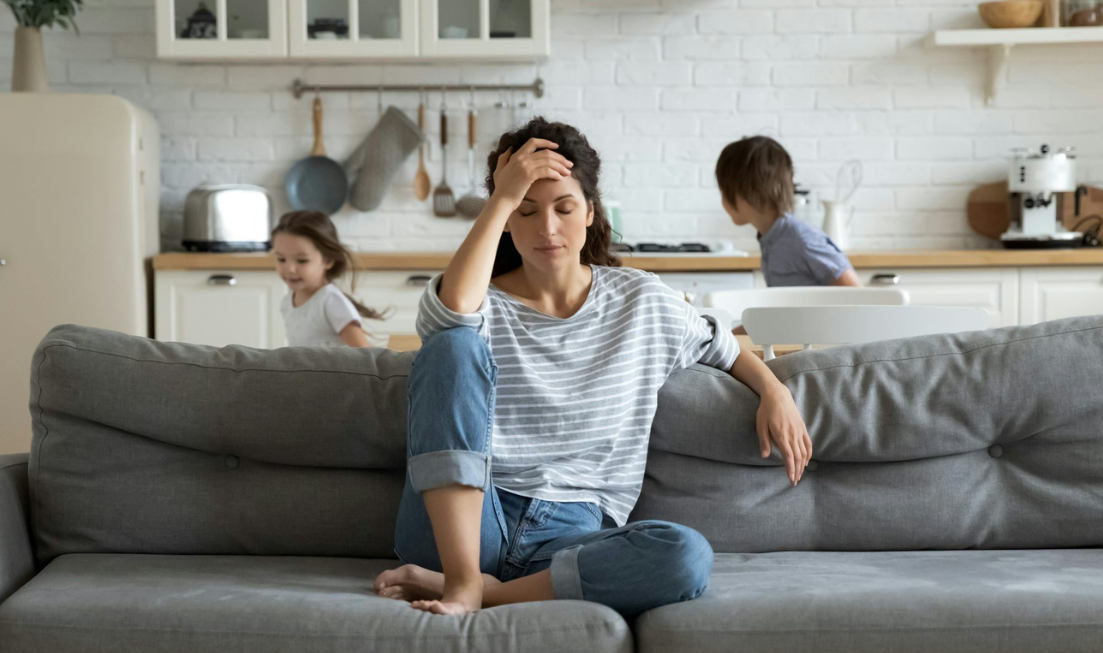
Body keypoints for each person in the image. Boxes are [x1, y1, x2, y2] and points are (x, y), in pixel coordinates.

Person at [372, 118, 812, 618]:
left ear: (589, 213)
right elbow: (449, 316)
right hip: (464, 519)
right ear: (507, 219)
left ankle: (477, 590)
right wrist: (500, 196)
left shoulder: (641, 301)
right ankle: (463, 574)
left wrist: (775, 390)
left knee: (685, 555)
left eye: (564, 208)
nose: (547, 229)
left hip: (571, 535)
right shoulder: (478, 302)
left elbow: (726, 349)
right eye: (526, 210)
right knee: (452, 345)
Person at [717, 136, 860, 287]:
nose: (723, 200)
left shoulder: (802, 239)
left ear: (750, 193)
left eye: (725, 192)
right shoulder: (771, 239)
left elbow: (857, 295)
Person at [271, 210, 387, 348]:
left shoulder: (331, 301)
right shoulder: (287, 301)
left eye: (302, 260)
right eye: (281, 259)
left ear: (328, 260)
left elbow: (365, 353)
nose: (289, 268)